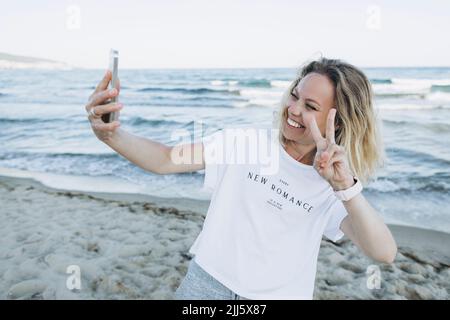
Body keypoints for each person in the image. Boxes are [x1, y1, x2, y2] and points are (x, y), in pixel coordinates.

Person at [85, 58, 397, 300]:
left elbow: (384, 252)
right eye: (295, 96)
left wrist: (346, 189)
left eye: (310, 106)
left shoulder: (336, 182)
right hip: (206, 286)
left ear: (338, 120)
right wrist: (110, 136)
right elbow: (167, 159)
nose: (294, 109)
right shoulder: (245, 142)